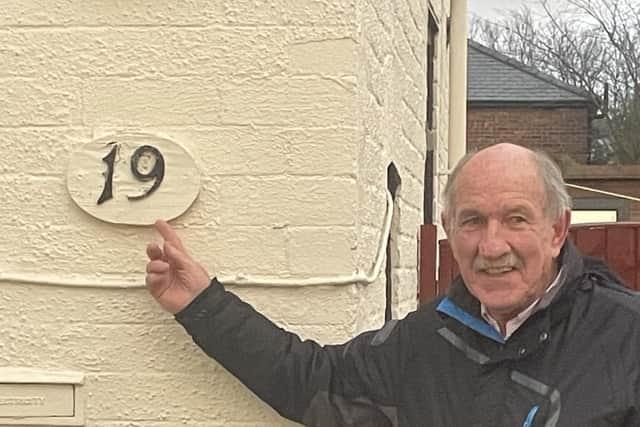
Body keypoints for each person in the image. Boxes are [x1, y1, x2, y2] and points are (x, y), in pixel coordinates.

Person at [145, 143, 640, 426]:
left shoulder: (627, 336)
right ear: (448, 229)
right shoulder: (426, 341)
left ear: (556, 230)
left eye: (515, 219)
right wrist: (202, 305)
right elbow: (311, 381)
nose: (491, 246)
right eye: (472, 221)